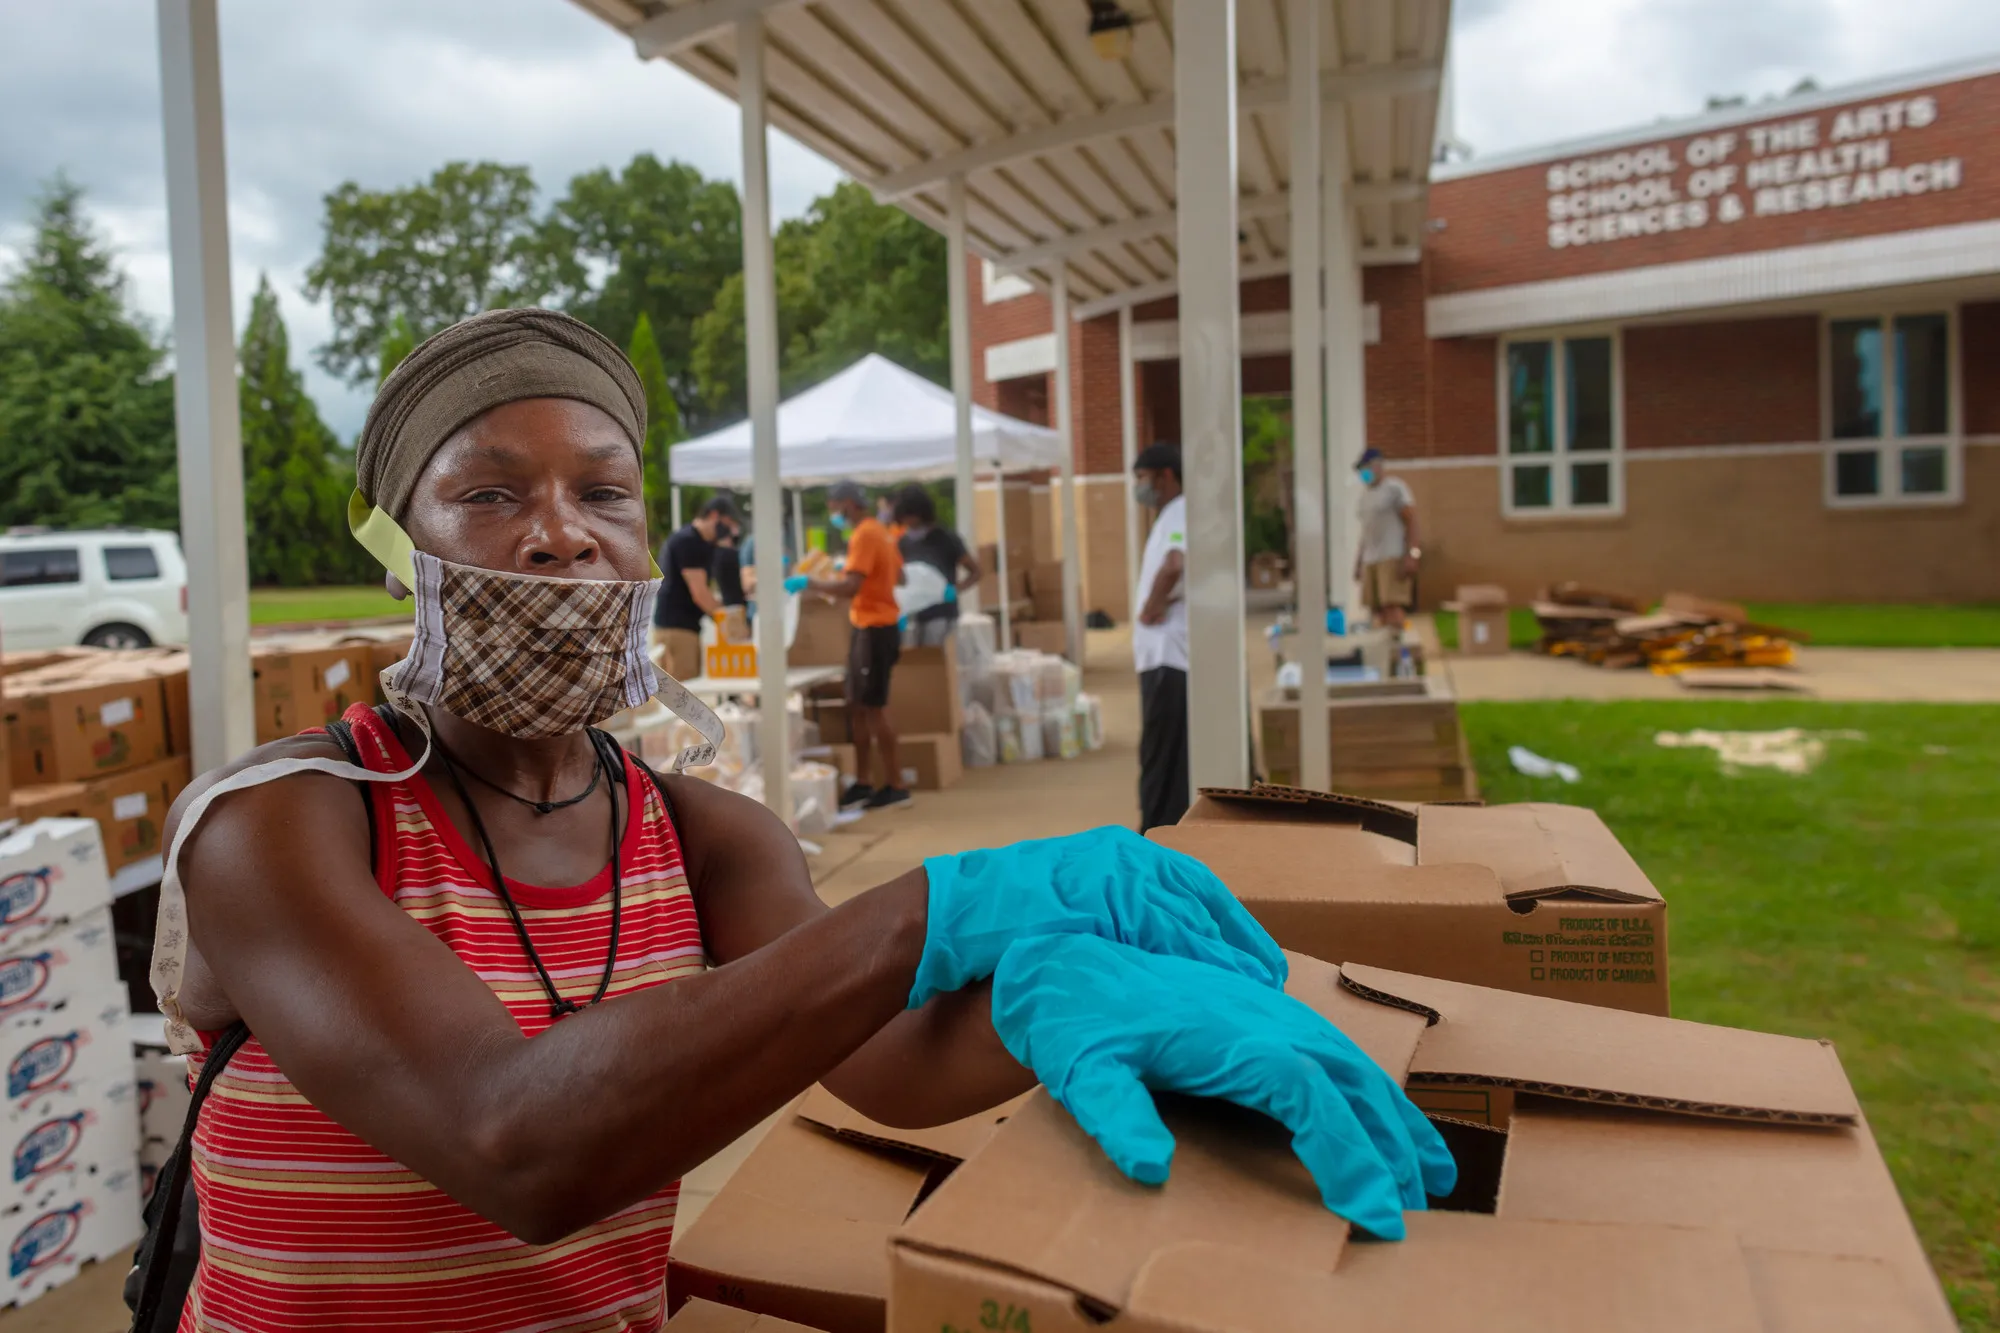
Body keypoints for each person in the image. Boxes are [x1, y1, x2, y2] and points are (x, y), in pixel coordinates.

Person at [145, 311, 1450, 1331]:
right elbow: (514, 1141)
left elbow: (890, 1061)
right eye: (490, 495)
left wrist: (1043, 994)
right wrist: (930, 912)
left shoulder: (703, 836)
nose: (561, 537)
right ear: (394, 543)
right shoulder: (285, 823)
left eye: (603, 492)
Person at [796, 480, 909, 811]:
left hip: (875, 627)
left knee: (874, 706)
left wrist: (812, 583)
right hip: (872, 625)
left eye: (834, 507)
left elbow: (850, 586)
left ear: (847, 503)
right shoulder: (880, 532)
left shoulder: (865, 534)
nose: (833, 514)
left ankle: (896, 785)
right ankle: (863, 781)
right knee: (858, 704)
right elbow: (900, 576)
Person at [1130, 443, 1189, 833]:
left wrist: (1151, 606)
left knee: (1159, 755)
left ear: (1165, 475)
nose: (1139, 487)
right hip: (1166, 656)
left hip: (1167, 655)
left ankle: (1154, 834)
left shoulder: (1179, 511)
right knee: (1170, 755)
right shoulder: (1171, 515)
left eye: (1142, 478)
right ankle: (1167, 830)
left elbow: (1174, 563)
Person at [653, 494, 739, 678]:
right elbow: (700, 594)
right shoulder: (689, 541)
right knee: (681, 692)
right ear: (714, 515)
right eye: (727, 523)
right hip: (677, 631)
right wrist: (730, 621)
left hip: (682, 629)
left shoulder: (697, 542)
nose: (728, 530)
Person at [894, 483, 979, 647]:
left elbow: (976, 572)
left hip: (942, 613)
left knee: (936, 656)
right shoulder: (904, 543)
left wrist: (956, 589)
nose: (907, 522)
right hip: (914, 614)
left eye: (910, 517)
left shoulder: (946, 539)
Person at [1352, 447, 1421, 632]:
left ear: (1377, 466)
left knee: (1392, 605)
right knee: (1375, 607)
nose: (1363, 474)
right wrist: (1358, 562)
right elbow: (1366, 532)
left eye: (1365, 468)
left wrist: (1413, 554)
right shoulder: (1364, 497)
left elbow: (1411, 520)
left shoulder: (1394, 488)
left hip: (1391, 555)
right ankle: (1383, 644)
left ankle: (1398, 642)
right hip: (1370, 559)